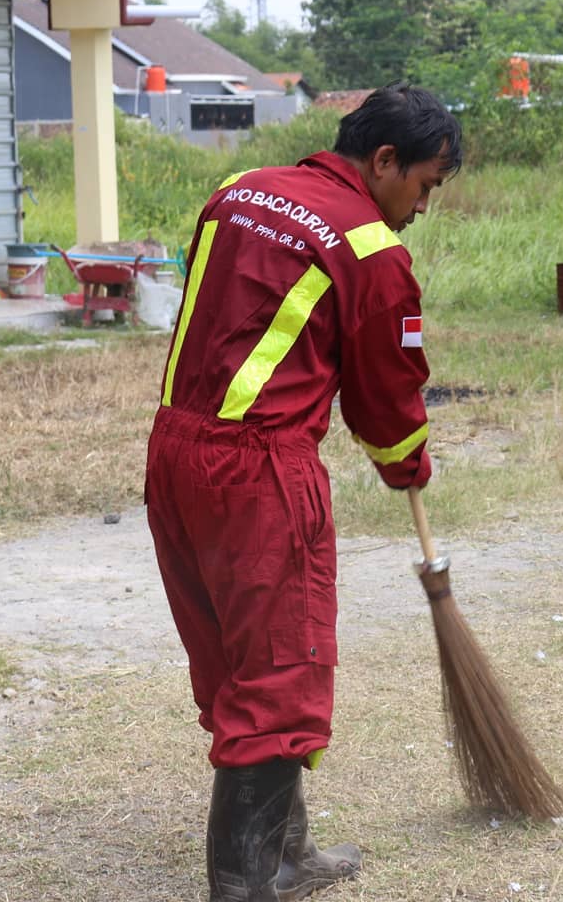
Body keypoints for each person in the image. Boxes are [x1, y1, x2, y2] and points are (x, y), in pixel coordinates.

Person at [144, 82, 461, 901]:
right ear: (383, 160)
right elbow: (387, 397)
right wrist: (408, 464)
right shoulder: (372, 252)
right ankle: (247, 888)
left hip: (176, 448)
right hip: (258, 472)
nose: (422, 206)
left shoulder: (237, 192)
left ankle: (289, 856)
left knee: (233, 667)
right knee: (280, 674)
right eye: (424, 184)